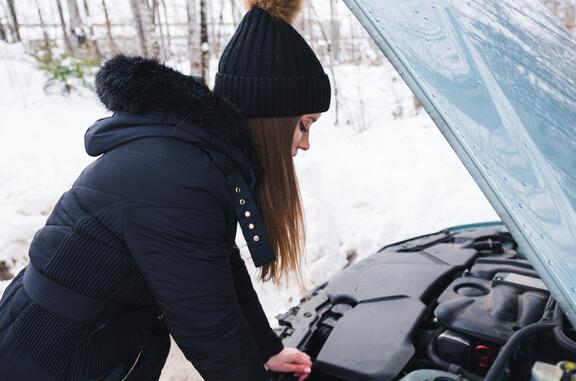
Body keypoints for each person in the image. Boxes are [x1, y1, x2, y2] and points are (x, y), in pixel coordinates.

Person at [0, 0, 330, 380]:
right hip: (50, 356)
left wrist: (265, 348)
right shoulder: (175, 177)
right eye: (304, 124)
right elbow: (206, 322)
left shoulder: (201, 159)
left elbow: (218, 265)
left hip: (87, 341)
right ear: (271, 118)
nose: (305, 143)